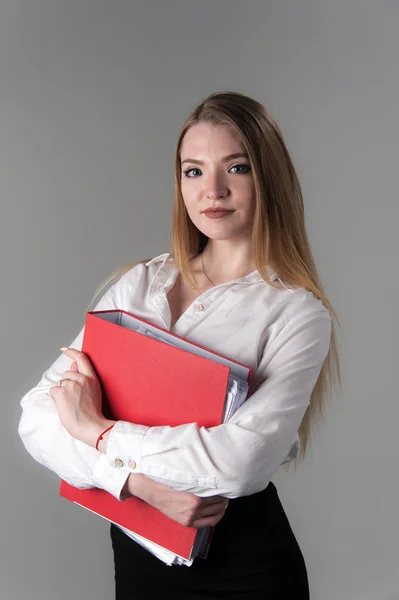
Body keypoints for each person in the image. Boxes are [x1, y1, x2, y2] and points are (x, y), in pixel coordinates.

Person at [18, 90, 340, 599]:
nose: (212, 189)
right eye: (193, 171)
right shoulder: (138, 287)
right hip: (138, 553)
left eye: (236, 168)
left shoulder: (297, 313)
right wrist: (136, 485)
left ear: (268, 178)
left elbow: (238, 463)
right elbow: (36, 418)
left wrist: (98, 432)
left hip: (245, 568)